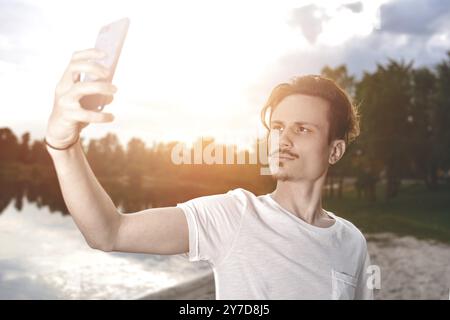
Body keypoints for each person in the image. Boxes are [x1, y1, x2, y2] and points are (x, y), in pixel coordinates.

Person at [45, 48, 373, 300]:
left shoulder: (352, 242)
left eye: (302, 129)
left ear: (335, 150)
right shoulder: (235, 216)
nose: (282, 139)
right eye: (277, 127)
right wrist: (63, 145)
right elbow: (109, 233)